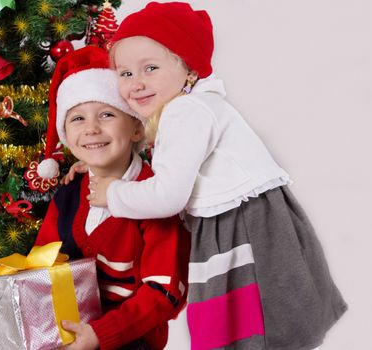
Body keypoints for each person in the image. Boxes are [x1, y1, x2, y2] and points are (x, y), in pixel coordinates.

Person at [80, 2, 347, 350]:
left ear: (188, 70)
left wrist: (112, 194)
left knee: (253, 329)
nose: (137, 83)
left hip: (243, 227)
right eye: (126, 73)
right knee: (246, 329)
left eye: (150, 68)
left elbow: (167, 195)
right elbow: (162, 161)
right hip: (242, 222)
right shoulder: (192, 108)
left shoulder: (187, 112)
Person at [34, 45, 190, 350]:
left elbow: (164, 292)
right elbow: (41, 267)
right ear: (65, 134)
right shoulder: (67, 196)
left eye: (106, 114)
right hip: (68, 336)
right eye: (77, 119)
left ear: (135, 127)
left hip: (132, 339)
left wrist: (100, 335)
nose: (92, 129)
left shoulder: (157, 199)